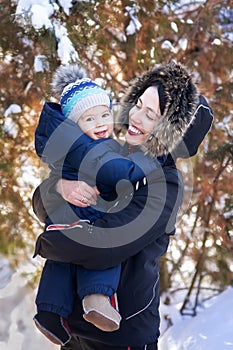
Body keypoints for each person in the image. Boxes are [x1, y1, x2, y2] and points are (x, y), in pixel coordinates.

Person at [33, 61, 214, 349]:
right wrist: (60, 187)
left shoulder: (164, 184)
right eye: (138, 104)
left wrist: (46, 243)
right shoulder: (112, 152)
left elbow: (106, 244)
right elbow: (43, 202)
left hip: (122, 335)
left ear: (168, 132)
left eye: (150, 114)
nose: (135, 116)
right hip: (74, 329)